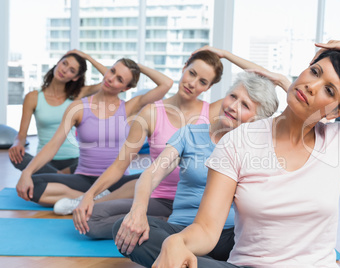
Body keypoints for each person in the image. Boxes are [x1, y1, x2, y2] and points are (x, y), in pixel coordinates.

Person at [149, 40, 340, 268]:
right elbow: (206, 228)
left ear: (337, 113)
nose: (311, 86)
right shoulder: (238, 141)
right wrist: (177, 242)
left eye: (329, 90)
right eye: (315, 72)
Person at [68, 47, 290, 239]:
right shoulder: (151, 113)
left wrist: (226, 55)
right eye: (191, 73)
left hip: (200, 204)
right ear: (184, 68)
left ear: (209, 87)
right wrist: (89, 195)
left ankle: (158, 225)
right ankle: (144, 217)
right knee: (93, 218)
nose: (192, 84)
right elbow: (120, 164)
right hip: (162, 198)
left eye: (202, 81)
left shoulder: (220, 110)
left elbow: (257, 88)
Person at [112, 70, 280, 266]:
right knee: (123, 230)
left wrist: (284, 81)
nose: (233, 106)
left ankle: (182, 261)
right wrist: (138, 211)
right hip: (182, 232)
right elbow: (152, 174)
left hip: (230, 237)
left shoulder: (256, 150)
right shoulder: (189, 134)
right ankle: (195, 261)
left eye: (245, 105)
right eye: (233, 96)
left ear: (256, 120)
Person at [15, 57, 173, 206]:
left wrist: (137, 66)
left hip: (116, 181)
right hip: (84, 179)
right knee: (33, 184)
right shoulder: (78, 107)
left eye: (120, 79)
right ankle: (91, 200)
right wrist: (27, 172)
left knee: (155, 177)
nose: (111, 79)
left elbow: (166, 84)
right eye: (112, 71)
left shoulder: (129, 107)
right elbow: (54, 144)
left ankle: (87, 201)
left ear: (126, 88)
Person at [9, 50, 105, 175]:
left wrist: (87, 57)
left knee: (99, 160)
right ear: (58, 63)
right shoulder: (33, 97)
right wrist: (16, 144)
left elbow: (110, 79)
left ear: (75, 78)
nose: (65, 70)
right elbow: (21, 135)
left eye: (72, 70)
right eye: (64, 63)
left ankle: (53, 178)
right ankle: (62, 177)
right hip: (44, 161)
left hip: (73, 160)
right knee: (17, 158)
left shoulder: (78, 94)